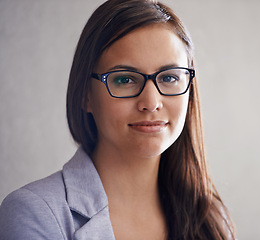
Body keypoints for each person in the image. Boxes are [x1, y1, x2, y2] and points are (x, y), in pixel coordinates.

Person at [0, 0, 236, 239]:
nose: (151, 102)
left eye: (169, 77)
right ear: (85, 96)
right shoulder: (33, 213)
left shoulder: (210, 218)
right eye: (125, 79)